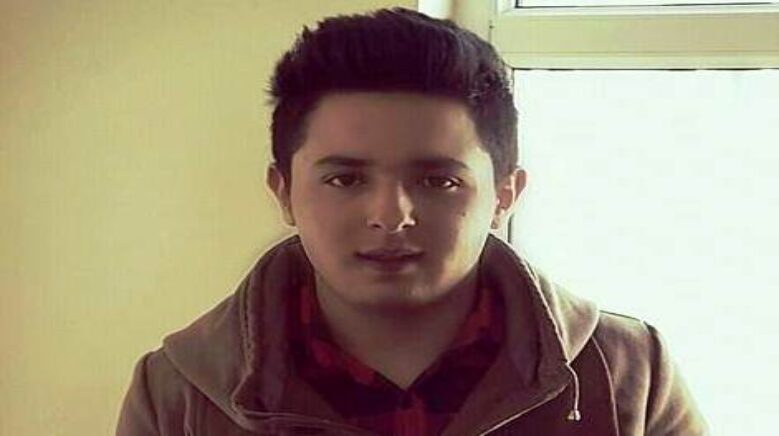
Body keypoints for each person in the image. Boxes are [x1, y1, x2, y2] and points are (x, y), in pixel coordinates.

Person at [117, 8, 707, 436]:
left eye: (438, 181)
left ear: (505, 194)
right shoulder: (178, 392)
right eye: (345, 179)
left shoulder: (627, 374)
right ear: (284, 192)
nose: (391, 216)